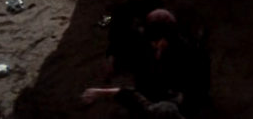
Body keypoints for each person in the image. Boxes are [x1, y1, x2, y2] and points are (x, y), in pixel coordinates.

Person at [82, 9, 210, 119]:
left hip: (173, 105)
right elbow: (115, 19)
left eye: (160, 40)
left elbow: (189, 98)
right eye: (153, 40)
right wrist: (112, 56)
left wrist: (103, 93)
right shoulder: (146, 46)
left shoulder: (185, 58)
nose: (156, 45)